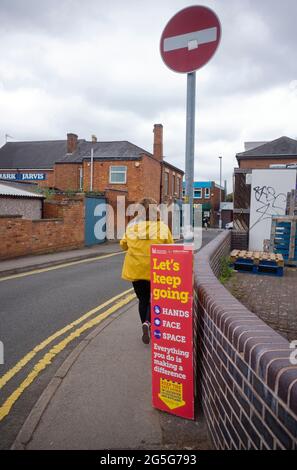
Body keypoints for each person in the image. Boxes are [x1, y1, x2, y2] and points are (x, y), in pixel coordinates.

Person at [120, 197, 173, 344]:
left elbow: (123, 246)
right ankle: (148, 323)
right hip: (156, 270)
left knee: (142, 300)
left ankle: (145, 324)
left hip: (136, 270)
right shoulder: (162, 228)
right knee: (154, 300)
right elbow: (170, 247)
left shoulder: (132, 228)